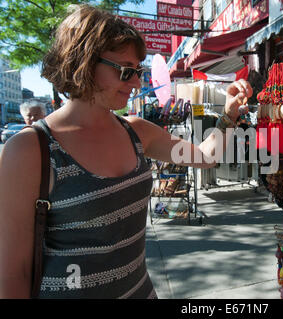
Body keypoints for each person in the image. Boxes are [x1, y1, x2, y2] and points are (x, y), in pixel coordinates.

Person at [0, 5, 252, 299]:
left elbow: (205, 156)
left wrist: (229, 117)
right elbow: (12, 273)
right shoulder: (31, 150)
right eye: (125, 70)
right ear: (83, 62)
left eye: (138, 71)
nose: (136, 82)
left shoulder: (137, 132)